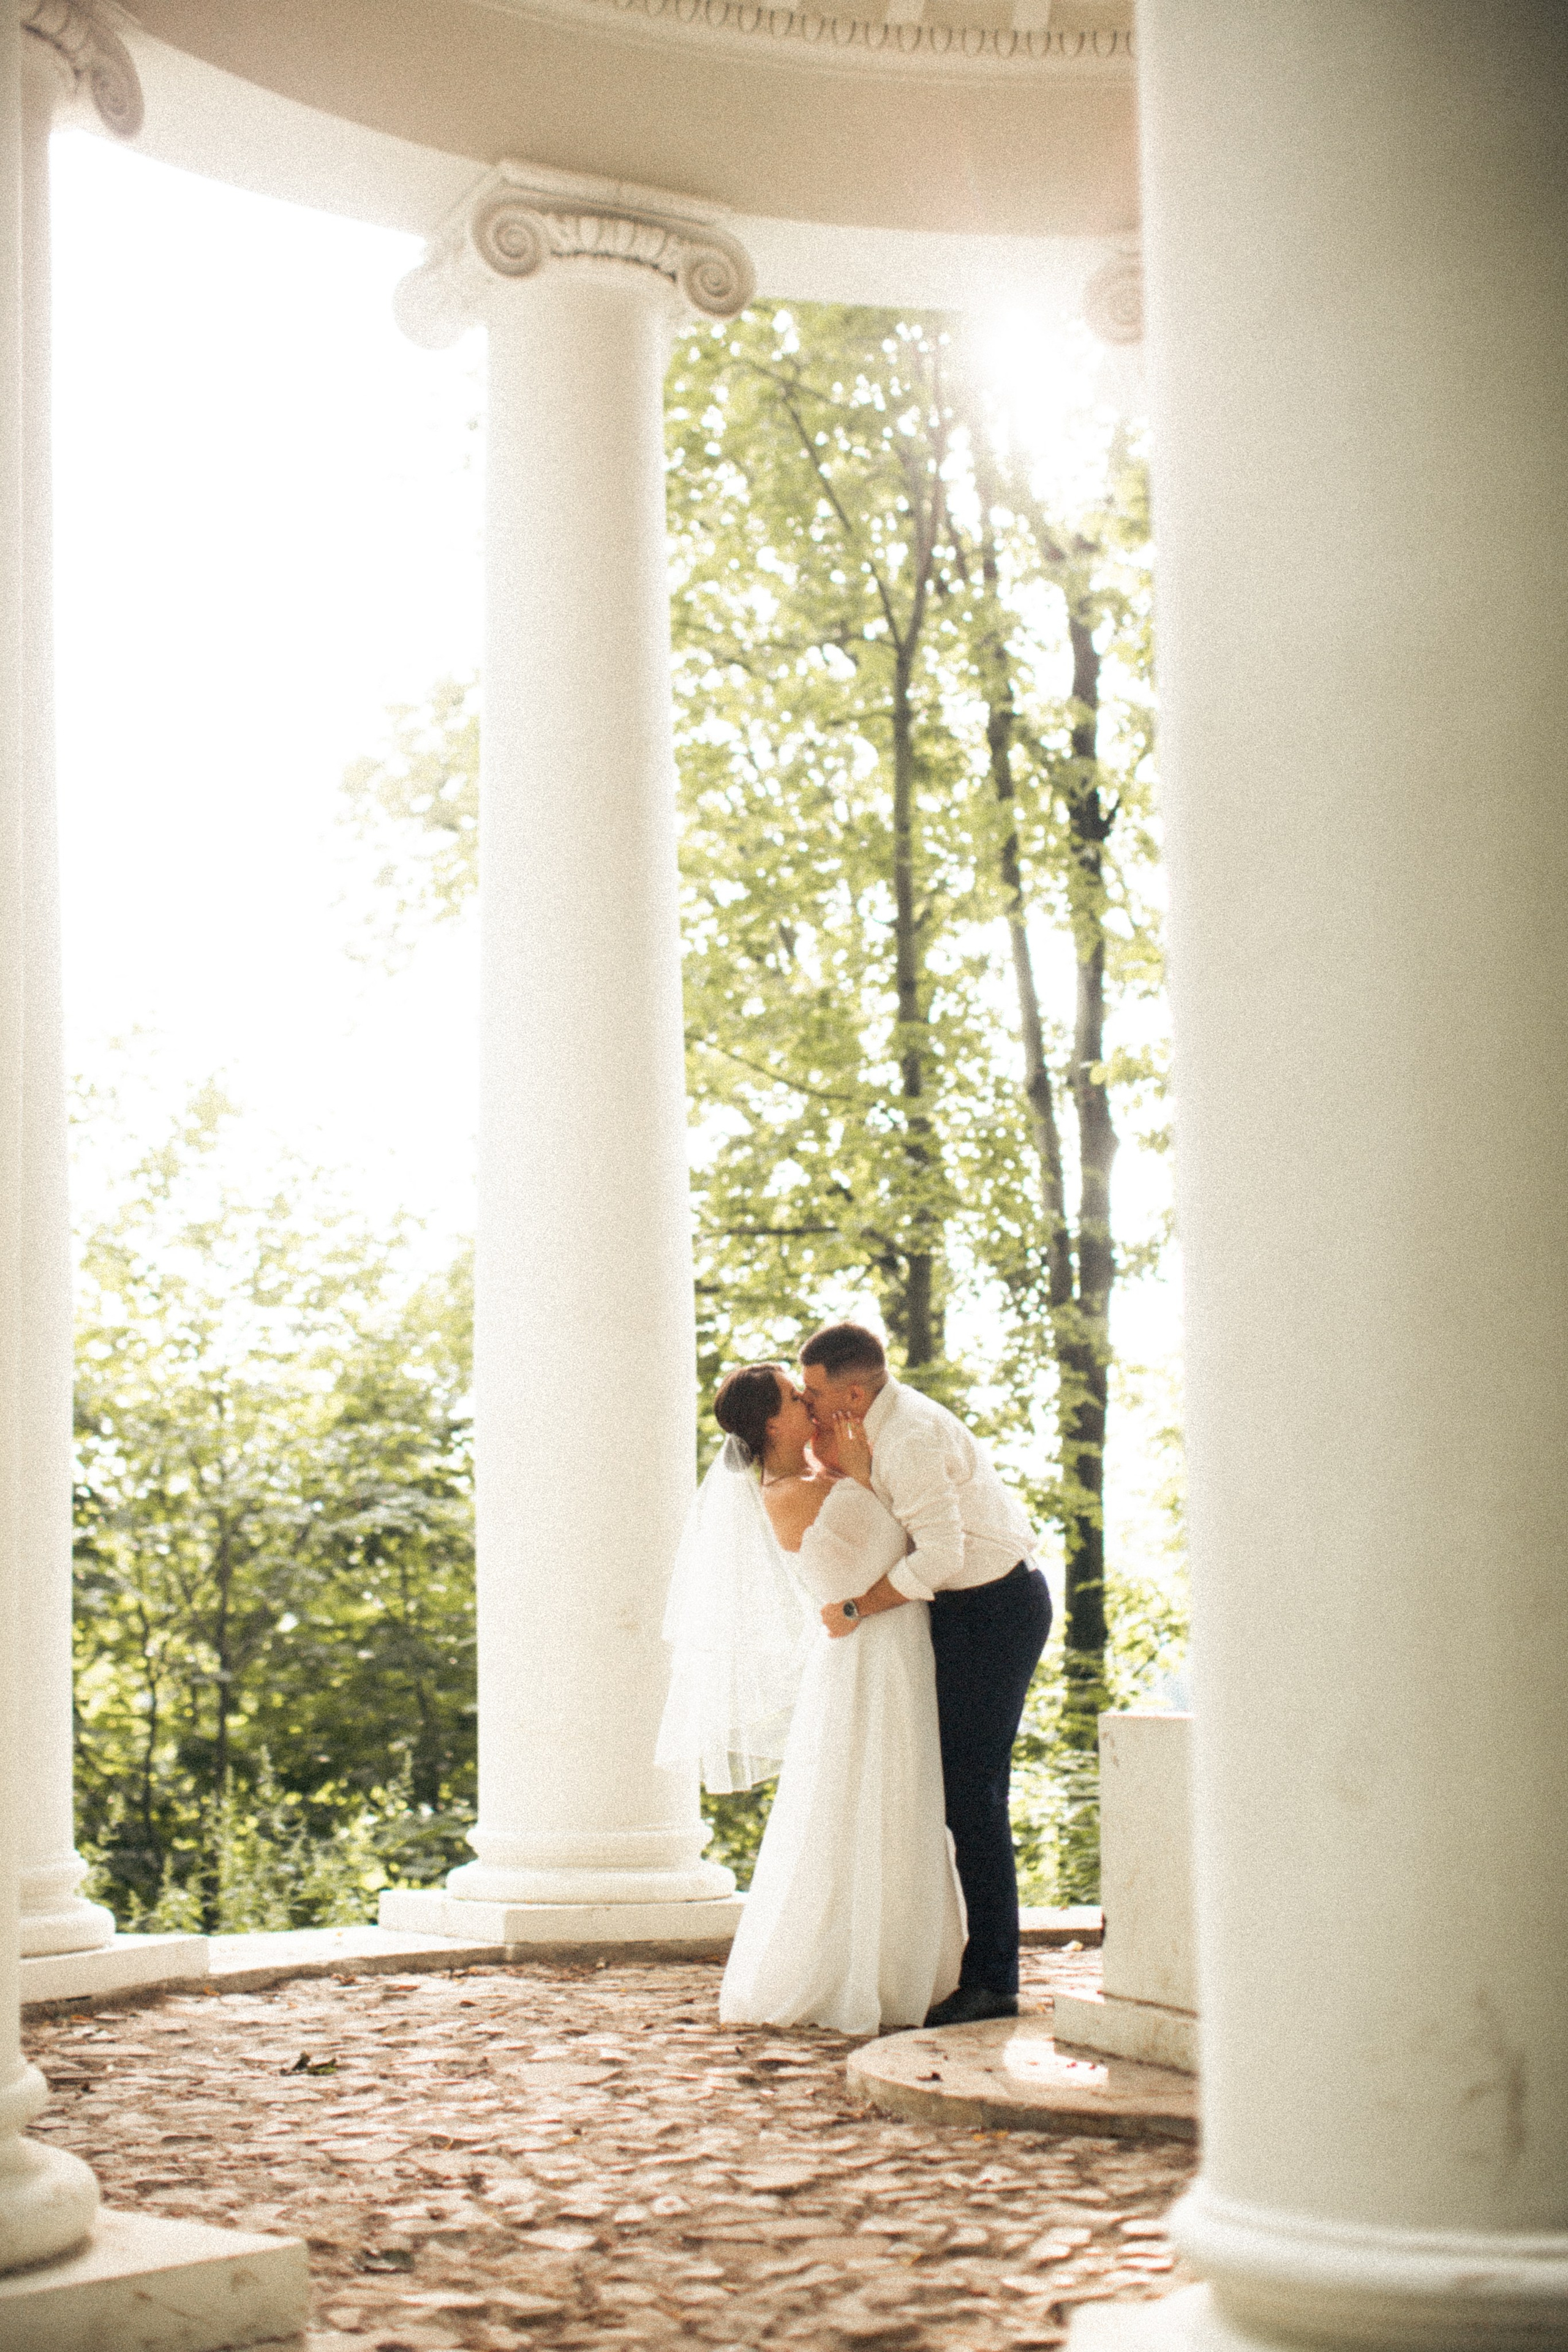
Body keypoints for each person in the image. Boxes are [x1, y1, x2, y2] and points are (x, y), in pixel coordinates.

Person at [657, 1362, 963, 2035]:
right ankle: (854, 1970)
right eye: (797, 1399)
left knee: (902, 1799)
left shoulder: (818, 1476)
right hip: (866, 1658)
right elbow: (897, 1526)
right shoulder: (790, 1492)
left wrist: (847, 1464)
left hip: (891, 1646)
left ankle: (910, 1961)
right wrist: (856, 1466)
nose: (810, 1403)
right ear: (773, 1423)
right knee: (869, 1802)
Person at [797, 1322, 1051, 2026]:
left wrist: (855, 1606)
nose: (807, 1404)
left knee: (972, 1794)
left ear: (853, 1391)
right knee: (941, 1790)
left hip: (995, 1608)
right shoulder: (872, 1431)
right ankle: (947, 1959)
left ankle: (993, 1979)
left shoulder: (906, 1434)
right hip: (958, 1611)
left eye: (814, 1393)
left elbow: (938, 1554)